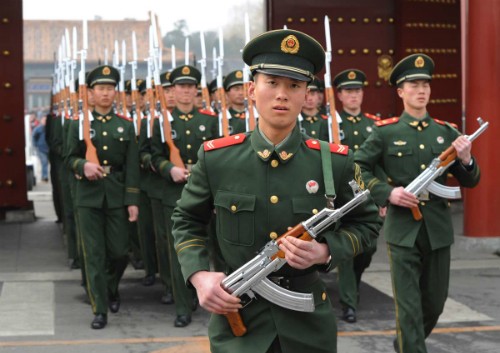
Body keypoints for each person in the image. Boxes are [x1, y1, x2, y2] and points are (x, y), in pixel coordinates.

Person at [171, 29, 381, 353]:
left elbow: (366, 224)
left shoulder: (333, 161)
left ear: (307, 95)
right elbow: (186, 219)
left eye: (294, 86)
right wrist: (199, 276)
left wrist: (326, 251)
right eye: (272, 83)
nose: (282, 94)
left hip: (308, 325)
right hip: (238, 322)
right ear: (252, 90)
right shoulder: (217, 159)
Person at [354, 53, 481, 353]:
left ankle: (405, 344)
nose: (421, 90)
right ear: (400, 91)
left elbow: (472, 181)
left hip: (437, 228)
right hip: (403, 230)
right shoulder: (385, 132)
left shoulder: (446, 132)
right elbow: (357, 167)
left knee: (434, 303)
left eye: (425, 84)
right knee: (408, 307)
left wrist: (466, 159)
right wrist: (387, 194)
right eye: (413, 84)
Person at [66, 65, 140, 329]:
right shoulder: (78, 124)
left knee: (120, 251)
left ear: (115, 93)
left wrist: (132, 200)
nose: (106, 93)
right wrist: (82, 166)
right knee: (93, 254)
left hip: (117, 194)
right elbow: (68, 157)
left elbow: (132, 166)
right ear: (91, 93)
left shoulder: (125, 125)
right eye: (101, 89)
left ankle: (110, 287)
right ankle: (100, 309)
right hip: (88, 196)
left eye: (110, 89)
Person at [151, 64, 219, 327]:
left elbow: (218, 156)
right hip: (174, 192)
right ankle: (182, 306)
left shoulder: (210, 120)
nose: (186, 91)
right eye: (181, 86)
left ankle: (213, 298)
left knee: (212, 248)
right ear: (173, 89)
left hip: (205, 192)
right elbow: (153, 155)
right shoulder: (162, 122)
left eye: (191, 86)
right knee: (178, 250)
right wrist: (170, 169)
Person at [332, 68, 382, 323]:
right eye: (348, 91)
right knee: (347, 251)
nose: (354, 96)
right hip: (339, 197)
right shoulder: (329, 124)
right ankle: (349, 303)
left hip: (367, 194)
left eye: (357, 91)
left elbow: (380, 164)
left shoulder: (374, 125)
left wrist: (381, 198)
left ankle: (355, 280)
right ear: (339, 95)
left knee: (367, 247)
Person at [299, 76, 329, 140]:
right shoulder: (296, 121)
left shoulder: (327, 121)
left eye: (312, 94)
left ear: (318, 95)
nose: (309, 98)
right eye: (306, 94)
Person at [223, 70, 246, 134]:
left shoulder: (259, 117)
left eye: (244, 88)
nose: (241, 93)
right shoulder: (222, 118)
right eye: (236, 89)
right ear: (227, 93)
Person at [32, 116, 49, 182]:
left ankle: (45, 176)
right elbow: (34, 137)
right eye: (44, 120)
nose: (45, 121)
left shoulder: (50, 128)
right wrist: (35, 145)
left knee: (48, 163)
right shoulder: (38, 129)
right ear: (41, 121)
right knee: (44, 162)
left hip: (49, 148)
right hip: (41, 149)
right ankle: (45, 176)